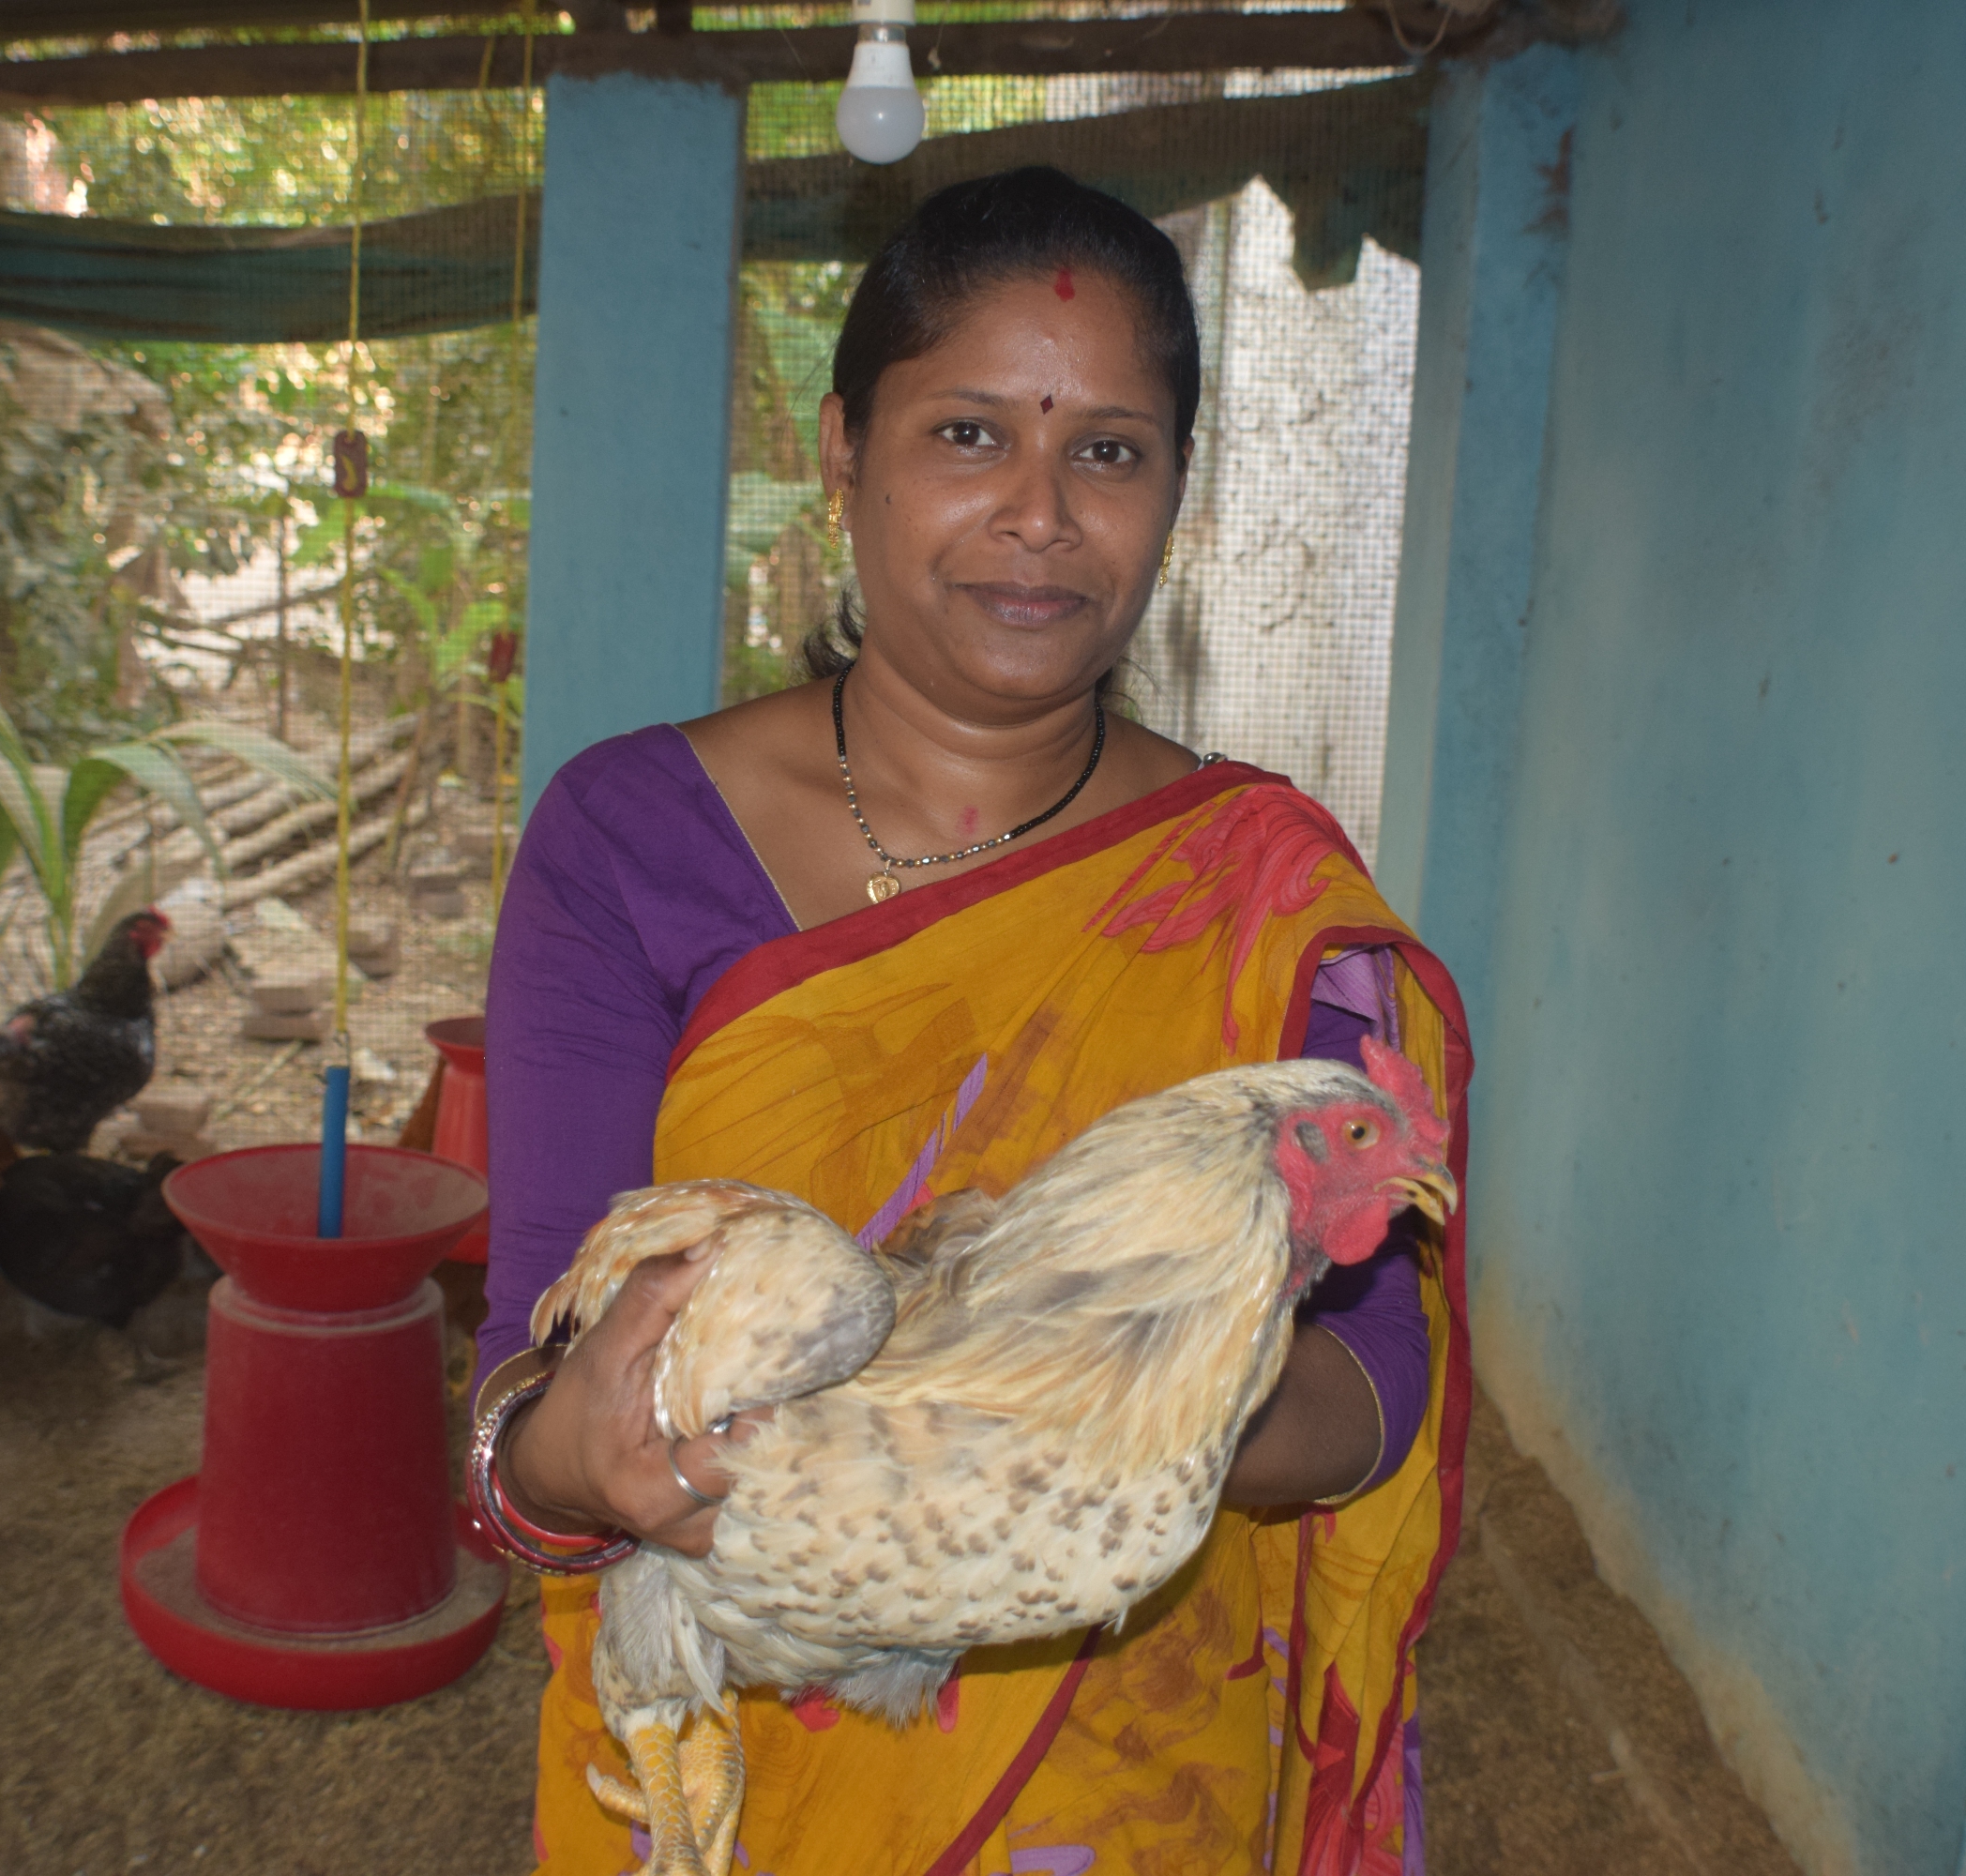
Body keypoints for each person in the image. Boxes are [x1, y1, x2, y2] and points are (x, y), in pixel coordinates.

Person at [470, 165, 1473, 1875]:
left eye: (1108, 450)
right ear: (847, 453)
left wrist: (1143, 1376)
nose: (1040, 514)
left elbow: (1383, 1369)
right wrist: (573, 1459)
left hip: (1128, 1769)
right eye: (967, 437)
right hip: (732, 1759)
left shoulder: (1254, 886)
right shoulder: (626, 837)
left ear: (1172, 493)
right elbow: (519, 1391)